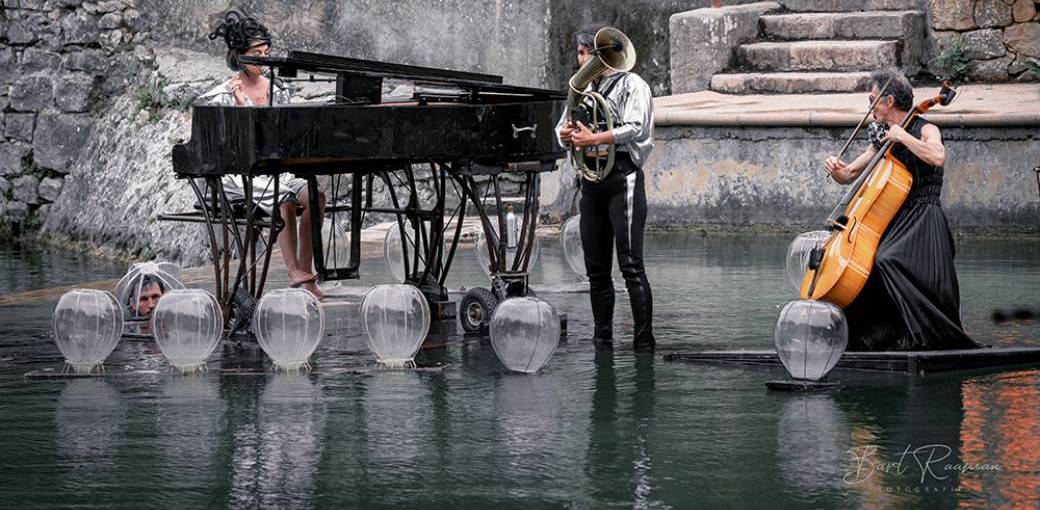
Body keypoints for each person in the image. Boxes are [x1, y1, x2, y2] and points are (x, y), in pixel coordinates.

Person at [823, 69, 978, 351]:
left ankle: (919, 335)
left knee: (886, 259)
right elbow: (850, 174)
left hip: (923, 217)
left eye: (873, 99)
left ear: (889, 101)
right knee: (865, 266)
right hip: (895, 219)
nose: (869, 106)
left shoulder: (926, 129)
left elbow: (937, 156)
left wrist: (904, 137)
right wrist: (837, 170)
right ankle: (876, 339)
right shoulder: (882, 137)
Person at [198, 11, 325, 299]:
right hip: (239, 171)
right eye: (257, 54)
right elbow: (228, 147)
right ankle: (293, 270)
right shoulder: (221, 96)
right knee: (285, 199)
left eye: (266, 52)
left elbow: (284, 134)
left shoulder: (278, 90)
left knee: (315, 196)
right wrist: (243, 107)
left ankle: (306, 271)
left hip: (274, 167)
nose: (264, 59)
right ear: (239, 56)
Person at [556, 26, 655, 351]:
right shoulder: (581, 90)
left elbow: (636, 127)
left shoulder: (633, 85)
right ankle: (603, 340)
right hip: (592, 183)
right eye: (582, 53)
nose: (582, 60)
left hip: (622, 178)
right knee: (596, 270)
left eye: (587, 53)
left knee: (630, 265)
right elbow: (560, 129)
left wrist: (593, 138)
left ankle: (643, 341)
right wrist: (568, 135)